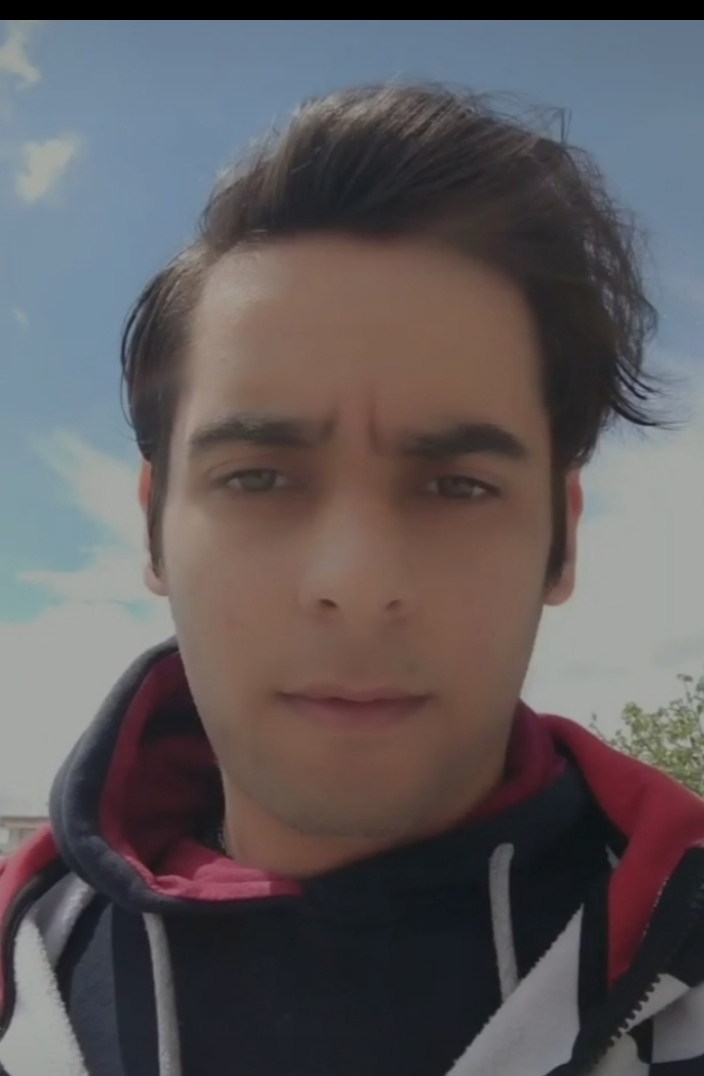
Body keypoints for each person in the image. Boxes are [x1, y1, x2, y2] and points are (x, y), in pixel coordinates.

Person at [0, 81, 702, 1076]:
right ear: (153, 529)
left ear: (563, 539)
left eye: (457, 485)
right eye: (258, 477)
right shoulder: (22, 978)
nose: (357, 582)